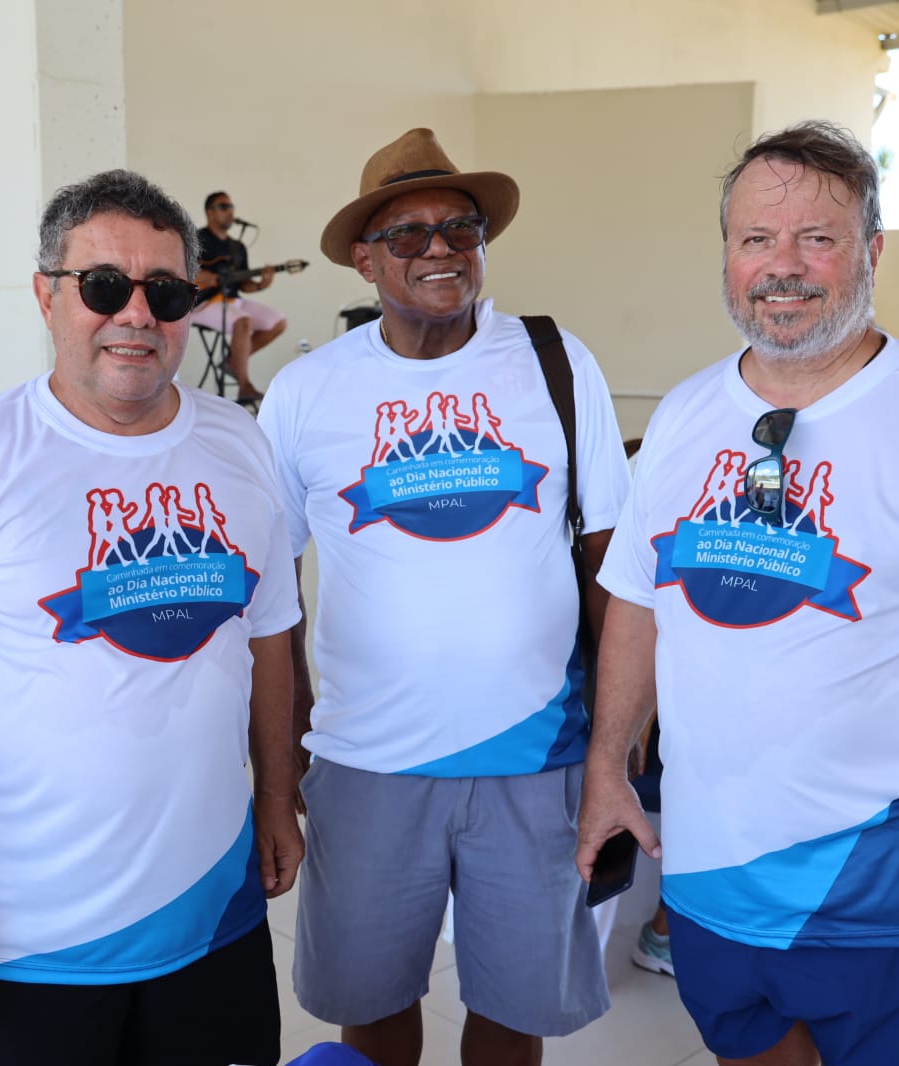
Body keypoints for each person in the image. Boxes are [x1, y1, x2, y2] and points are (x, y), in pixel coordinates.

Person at [576, 121, 899, 1066]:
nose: (783, 267)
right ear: (727, 255)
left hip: (882, 871)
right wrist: (609, 765)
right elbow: (637, 602)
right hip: (711, 869)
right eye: (756, 239)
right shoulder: (684, 414)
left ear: (872, 251)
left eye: (818, 239)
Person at [0, 169, 303, 1066]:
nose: (136, 314)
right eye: (103, 286)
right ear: (46, 297)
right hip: (30, 943)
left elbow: (269, 642)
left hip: (214, 917)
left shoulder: (241, 445)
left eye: (165, 292)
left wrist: (277, 799)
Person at [257, 128, 630, 1066]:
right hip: (367, 761)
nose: (439, 249)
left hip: (538, 753)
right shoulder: (306, 393)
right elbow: (272, 596)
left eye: (460, 227)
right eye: (408, 233)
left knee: (514, 1010)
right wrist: (284, 756)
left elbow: (609, 563)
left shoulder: (554, 360)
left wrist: (617, 746)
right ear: (363, 257)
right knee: (374, 1004)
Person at [191, 190, 287, 402]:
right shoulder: (197, 240)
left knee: (278, 322)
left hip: (233, 300)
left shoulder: (238, 247)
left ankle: (232, 362)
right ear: (209, 212)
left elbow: (244, 284)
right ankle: (245, 385)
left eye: (231, 207)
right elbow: (185, 271)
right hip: (203, 303)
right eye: (223, 207)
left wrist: (261, 284)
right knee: (243, 321)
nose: (230, 211)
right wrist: (208, 277)